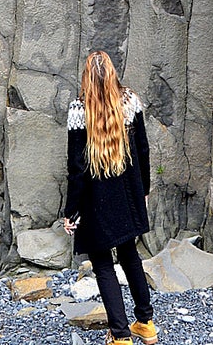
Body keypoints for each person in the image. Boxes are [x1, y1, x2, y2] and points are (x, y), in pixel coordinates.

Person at [63, 49, 158, 345]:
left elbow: (77, 169)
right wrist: (143, 191)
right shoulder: (129, 101)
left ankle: (120, 336)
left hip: (96, 201)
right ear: (113, 74)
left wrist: (71, 212)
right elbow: (143, 150)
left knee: (103, 264)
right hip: (128, 194)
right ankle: (145, 323)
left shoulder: (79, 110)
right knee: (130, 255)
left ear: (86, 79)